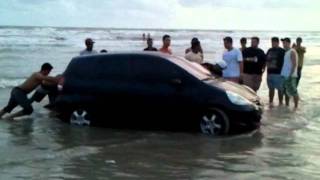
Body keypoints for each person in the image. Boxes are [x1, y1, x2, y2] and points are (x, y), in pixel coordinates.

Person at [266, 37, 286, 107]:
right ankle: (271, 102)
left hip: (278, 74)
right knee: (271, 89)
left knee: (280, 90)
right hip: (269, 73)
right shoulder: (269, 50)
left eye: (274, 42)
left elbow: (285, 63)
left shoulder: (282, 51)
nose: (273, 43)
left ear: (278, 43)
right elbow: (266, 61)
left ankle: (280, 103)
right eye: (272, 42)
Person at [281, 38, 299, 109]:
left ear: (289, 43)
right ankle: (287, 106)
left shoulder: (292, 51)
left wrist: (290, 75)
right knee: (286, 92)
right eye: (283, 43)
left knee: (294, 91)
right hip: (285, 75)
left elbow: (294, 64)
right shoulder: (286, 52)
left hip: (290, 76)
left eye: (285, 43)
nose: (283, 44)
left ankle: (296, 107)